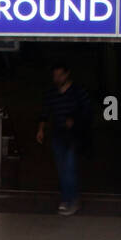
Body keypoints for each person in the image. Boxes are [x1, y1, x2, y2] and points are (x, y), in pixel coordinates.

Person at [36, 62, 91, 217]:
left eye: (60, 75)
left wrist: (75, 120)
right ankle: (67, 198)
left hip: (74, 135)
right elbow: (45, 111)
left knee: (70, 167)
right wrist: (41, 129)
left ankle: (72, 199)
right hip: (58, 134)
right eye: (55, 75)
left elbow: (87, 111)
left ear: (67, 75)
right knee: (62, 169)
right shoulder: (52, 93)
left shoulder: (78, 92)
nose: (57, 78)